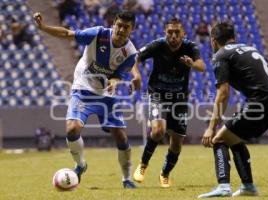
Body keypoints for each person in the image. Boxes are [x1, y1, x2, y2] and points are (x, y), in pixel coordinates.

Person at [33, 10, 137, 188]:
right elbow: (67, 33)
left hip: (105, 94)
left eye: (126, 27)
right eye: (119, 25)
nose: (121, 30)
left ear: (131, 30)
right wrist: (43, 27)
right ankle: (81, 165)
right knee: (72, 128)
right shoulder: (97, 34)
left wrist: (114, 81)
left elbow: (118, 75)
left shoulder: (130, 53)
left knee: (120, 136)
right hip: (83, 87)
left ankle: (127, 179)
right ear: (114, 24)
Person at [198, 22, 268, 198]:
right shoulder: (249, 48)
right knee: (232, 137)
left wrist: (210, 127)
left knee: (218, 139)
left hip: (261, 103)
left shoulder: (221, 55)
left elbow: (223, 94)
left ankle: (224, 187)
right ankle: (248, 187)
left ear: (213, 41)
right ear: (233, 37)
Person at [131, 18, 205, 188]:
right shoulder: (157, 45)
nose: (173, 36)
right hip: (157, 94)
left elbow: (202, 66)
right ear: (165, 33)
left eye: (177, 32)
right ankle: (143, 165)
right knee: (158, 130)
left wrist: (192, 63)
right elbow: (134, 58)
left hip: (179, 98)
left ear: (183, 34)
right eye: (169, 32)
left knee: (177, 141)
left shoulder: (190, 47)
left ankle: (165, 174)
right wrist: (137, 75)